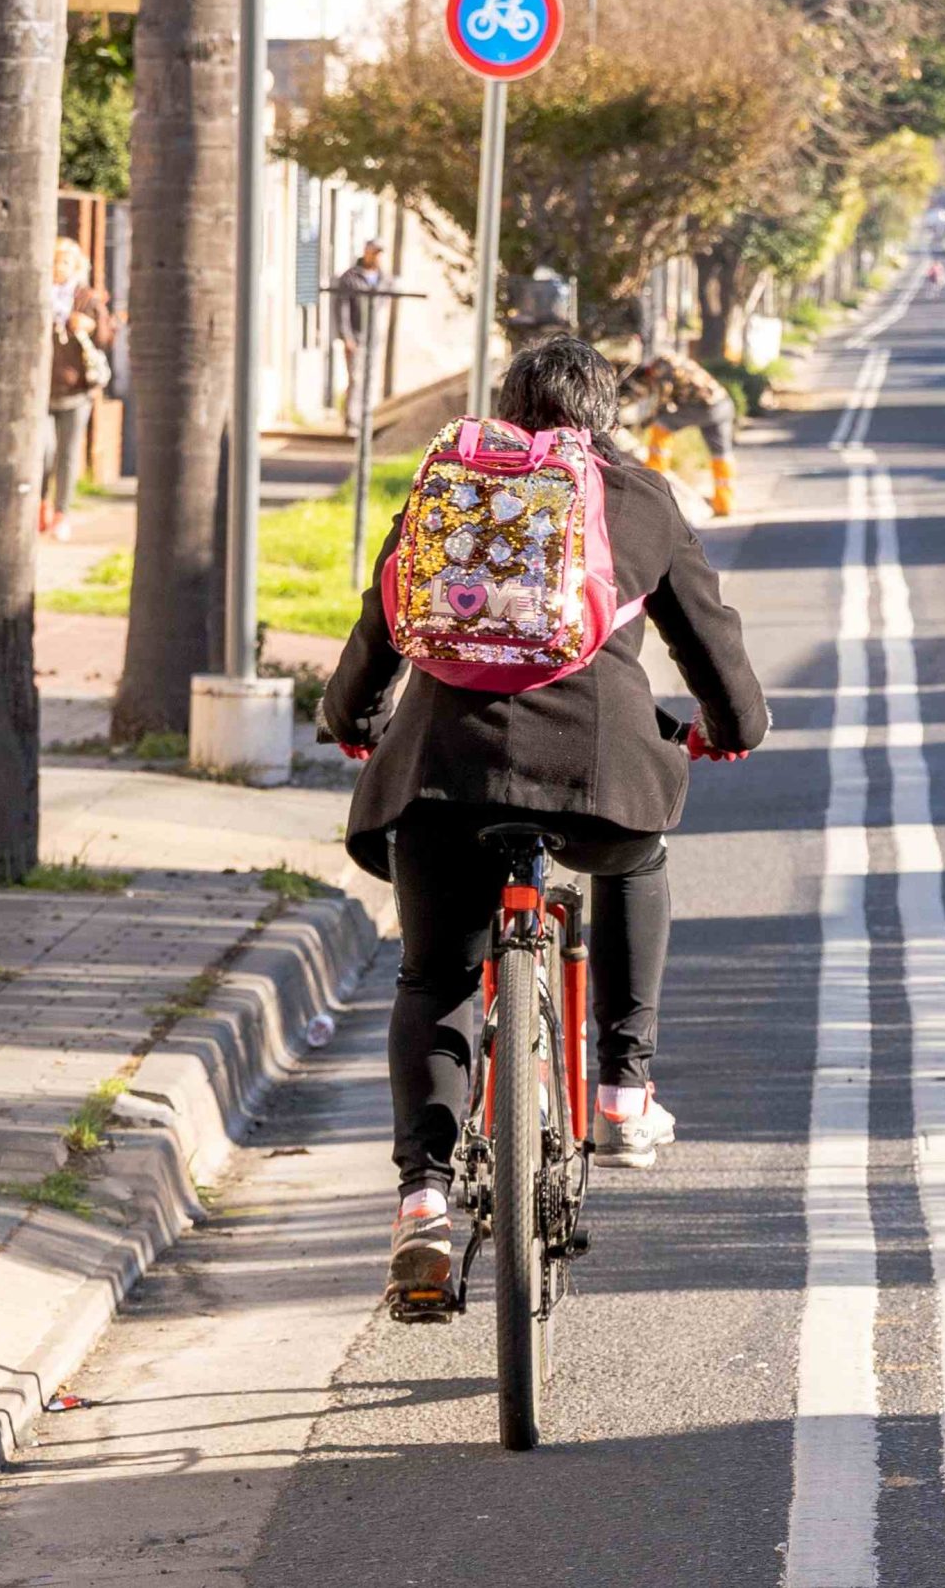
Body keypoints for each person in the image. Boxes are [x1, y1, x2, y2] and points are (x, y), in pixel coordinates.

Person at [319, 334, 771, 1318]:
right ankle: (622, 1093)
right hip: (596, 775)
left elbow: (382, 619)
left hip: (443, 776)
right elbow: (708, 636)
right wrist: (733, 729)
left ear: (505, 408)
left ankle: (423, 1201)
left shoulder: (449, 485)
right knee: (636, 860)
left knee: (435, 976)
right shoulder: (638, 497)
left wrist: (351, 719)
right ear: (603, 416)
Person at [41, 237, 113, 543]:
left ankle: (62, 514)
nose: (59, 267)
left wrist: (92, 326)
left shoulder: (86, 299)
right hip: (43, 391)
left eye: (65, 262)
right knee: (45, 451)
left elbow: (107, 338)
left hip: (76, 392)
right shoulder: (40, 295)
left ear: (76, 266)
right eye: (55, 261)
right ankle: (41, 506)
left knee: (68, 456)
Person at [618, 344, 737, 475]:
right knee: (721, 453)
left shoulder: (660, 367)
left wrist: (646, 421)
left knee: (662, 423)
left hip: (705, 407)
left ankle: (656, 470)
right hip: (724, 404)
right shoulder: (671, 360)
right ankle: (724, 488)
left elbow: (663, 399)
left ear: (646, 375)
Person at [331, 239, 386, 436]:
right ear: (366, 252)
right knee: (356, 379)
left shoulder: (382, 278)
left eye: (379, 253)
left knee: (370, 380)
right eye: (374, 252)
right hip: (355, 337)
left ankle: (366, 420)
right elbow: (342, 309)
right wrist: (346, 336)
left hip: (373, 338)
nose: (377, 257)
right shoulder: (350, 278)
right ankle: (352, 422)